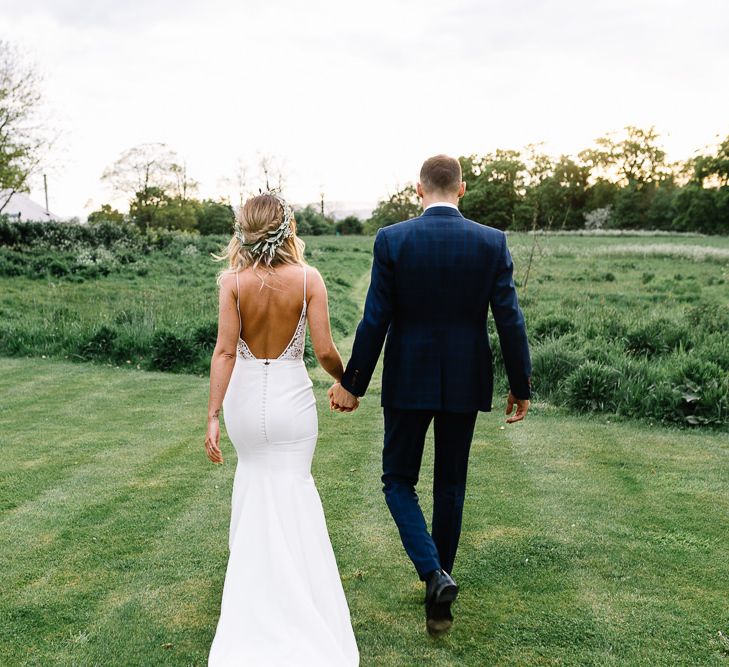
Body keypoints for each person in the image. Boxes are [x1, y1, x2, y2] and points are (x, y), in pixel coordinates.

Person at [329, 154, 532, 637]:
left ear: (417, 190)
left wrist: (352, 382)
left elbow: (374, 317)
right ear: (461, 189)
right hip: (466, 378)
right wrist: (520, 385)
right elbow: (510, 318)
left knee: (398, 479)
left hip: (408, 378)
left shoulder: (393, 240)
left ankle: (434, 574)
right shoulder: (491, 241)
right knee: (451, 484)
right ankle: (438, 602)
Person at [205, 192, 359, 666]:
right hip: (293, 404)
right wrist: (347, 381)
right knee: (293, 491)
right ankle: (302, 602)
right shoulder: (309, 280)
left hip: (246, 405)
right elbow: (325, 349)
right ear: (288, 228)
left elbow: (226, 353)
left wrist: (212, 415)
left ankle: (257, 605)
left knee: (253, 488)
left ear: (243, 232)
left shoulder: (232, 281)